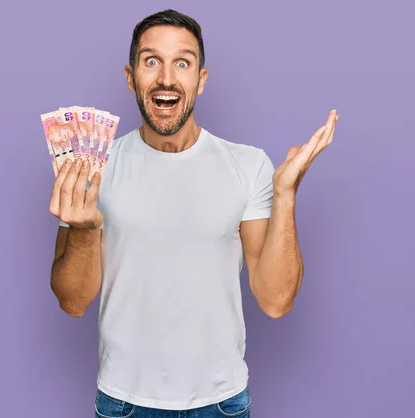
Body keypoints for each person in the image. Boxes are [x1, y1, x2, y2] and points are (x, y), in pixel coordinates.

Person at [48, 9, 339, 418]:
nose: (166, 78)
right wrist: (82, 229)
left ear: (200, 80)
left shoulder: (248, 165)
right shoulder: (92, 166)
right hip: (123, 403)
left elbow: (276, 301)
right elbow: (73, 302)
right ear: (131, 77)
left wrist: (285, 193)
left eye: (182, 63)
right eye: (152, 61)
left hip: (221, 405)